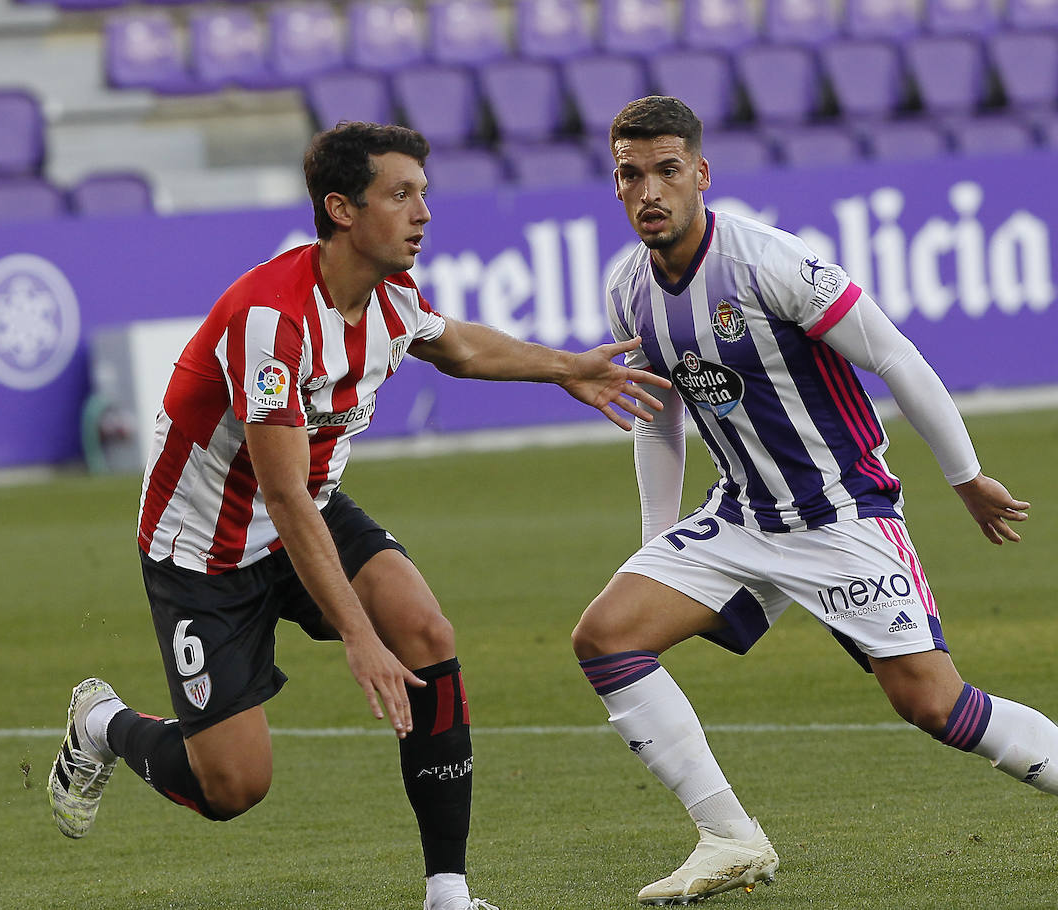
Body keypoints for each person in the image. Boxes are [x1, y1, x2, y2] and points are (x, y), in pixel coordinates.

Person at [47, 121, 669, 910]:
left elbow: (458, 348)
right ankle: (103, 723)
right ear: (342, 209)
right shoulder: (270, 324)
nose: (423, 213)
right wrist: (357, 639)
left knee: (427, 633)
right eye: (401, 194)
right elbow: (279, 498)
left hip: (313, 507)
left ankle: (448, 891)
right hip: (207, 548)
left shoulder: (391, 296)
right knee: (233, 786)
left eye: (424, 194)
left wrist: (565, 368)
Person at [570, 96, 1058, 905]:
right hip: (743, 515)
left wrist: (966, 476)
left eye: (667, 171)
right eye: (631, 174)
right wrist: (652, 545)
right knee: (606, 637)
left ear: (701, 175)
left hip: (840, 514)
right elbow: (659, 418)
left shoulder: (767, 262)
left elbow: (895, 355)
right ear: (616, 185)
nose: (650, 191)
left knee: (933, 703)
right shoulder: (628, 290)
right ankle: (727, 836)